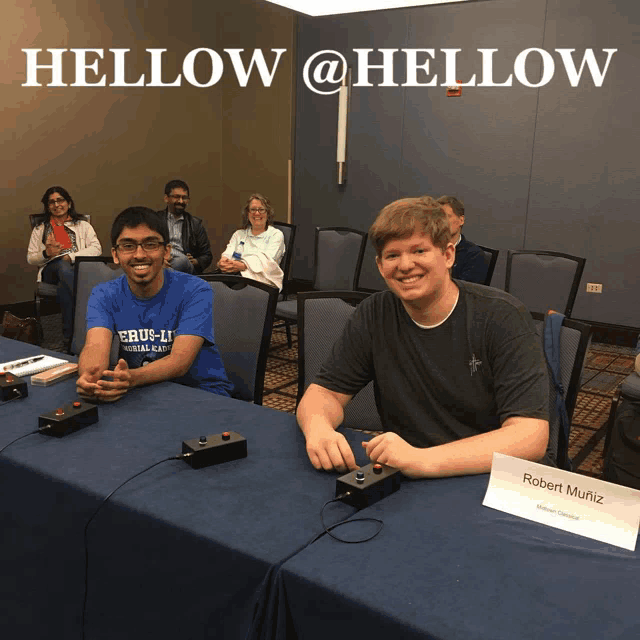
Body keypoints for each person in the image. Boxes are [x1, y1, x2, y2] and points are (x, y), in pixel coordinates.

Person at [297, 196, 550, 479]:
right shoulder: (374, 313)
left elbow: (530, 436)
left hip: (486, 477)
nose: (405, 265)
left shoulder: (501, 316)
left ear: (448, 255)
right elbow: (324, 392)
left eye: (419, 250)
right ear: (380, 266)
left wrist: (423, 460)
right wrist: (318, 429)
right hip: (410, 474)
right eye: (393, 255)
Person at [76, 207, 232, 402]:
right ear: (115, 255)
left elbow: (180, 362)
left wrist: (131, 378)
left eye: (150, 244)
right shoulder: (103, 294)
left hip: (200, 393)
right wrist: (90, 378)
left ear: (166, 251)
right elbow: (95, 347)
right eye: (128, 246)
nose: (139, 254)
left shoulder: (196, 290)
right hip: (142, 392)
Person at [27, 186, 102, 345]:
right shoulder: (40, 229)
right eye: (51, 202)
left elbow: (97, 249)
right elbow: (31, 258)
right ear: (48, 207)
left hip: (76, 268)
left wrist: (70, 257)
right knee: (61, 266)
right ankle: (84, 326)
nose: (56, 205)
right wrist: (47, 254)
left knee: (66, 277)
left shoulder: (82, 225)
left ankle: (69, 336)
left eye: (60, 200)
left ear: (68, 203)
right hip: (51, 270)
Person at [217, 193, 285, 290]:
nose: (257, 213)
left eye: (261, 209)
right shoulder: (239, 234)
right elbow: (228, 252)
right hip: (234, 275)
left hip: (263, 281)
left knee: (227, 292)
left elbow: (267, 261)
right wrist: (223, 261)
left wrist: (243, 265)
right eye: (253, 209)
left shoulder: (276, 235)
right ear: (247, 213)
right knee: (209, 285)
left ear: (268, 213)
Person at [157, 179, 212, 274]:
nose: (181, 201)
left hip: (184, 264)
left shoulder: (195, 224)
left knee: (181, 261)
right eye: (177, 197)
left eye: (184, 198)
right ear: (166, 198)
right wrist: (160, 261)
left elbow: (207, 255)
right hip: (161, 260)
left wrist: (195, 261)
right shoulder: (155, 220)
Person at [437, 195, 488, 284]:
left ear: (461, 220)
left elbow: (467, 292)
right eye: (440, 217)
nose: (443, 222)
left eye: (447, 216)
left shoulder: (474, 255)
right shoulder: (430, 249)